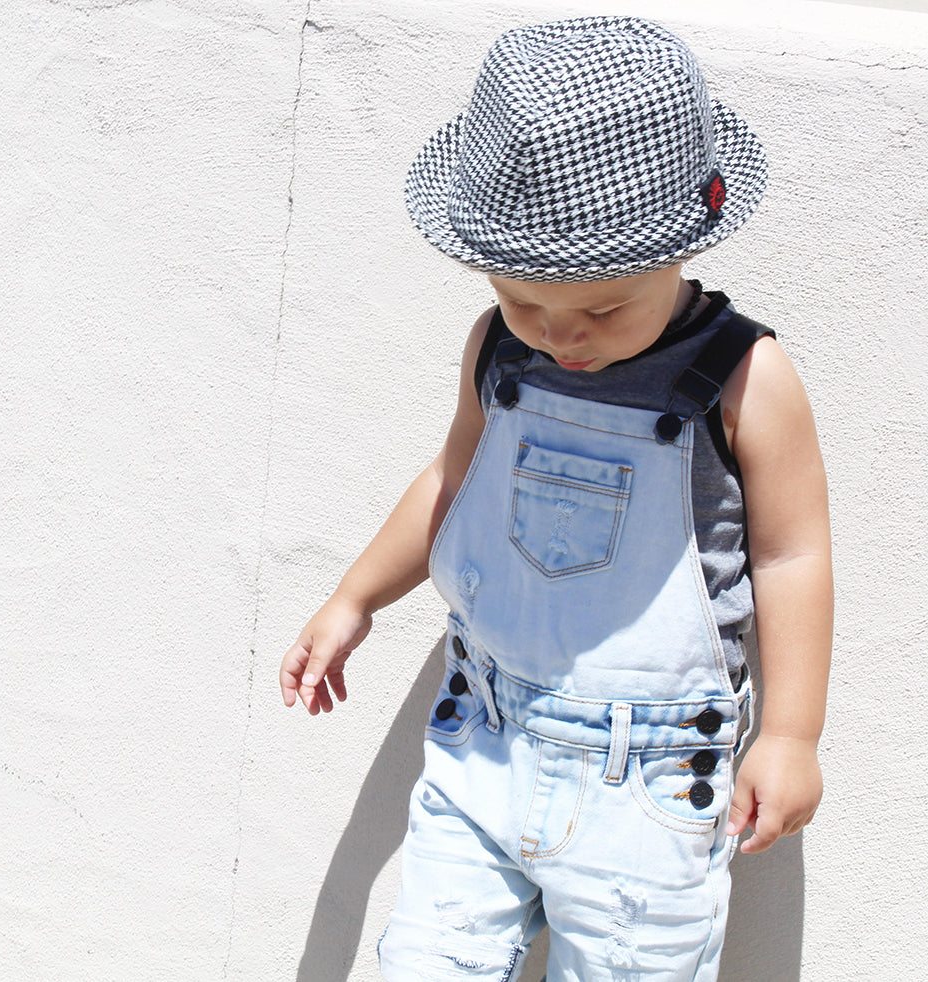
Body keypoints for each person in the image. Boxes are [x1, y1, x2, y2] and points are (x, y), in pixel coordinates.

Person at [279, 16, 831, 981]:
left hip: (649, 786)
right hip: (481, 746)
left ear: (684, 245)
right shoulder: (499, 352)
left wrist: (790, 734)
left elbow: (791, 556)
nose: (559, 335)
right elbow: (452, 479)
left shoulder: (744, 380)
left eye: (602, 308)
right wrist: (354, 597)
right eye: (523, 299)